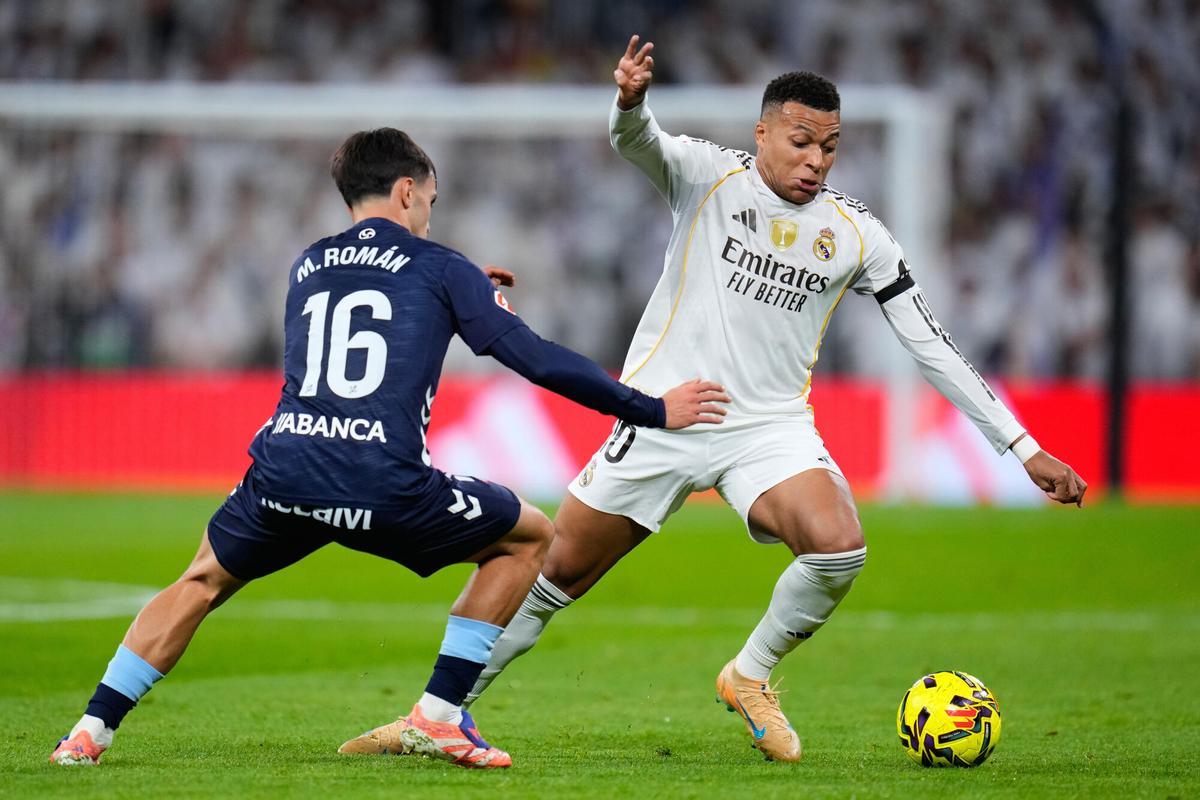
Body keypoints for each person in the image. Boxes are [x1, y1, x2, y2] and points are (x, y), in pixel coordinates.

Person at [463, 36, 1088, 763]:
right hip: (665, 412)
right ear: (762, 134)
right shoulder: (706, 176)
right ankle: (442, 708)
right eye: (801, 142)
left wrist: (1023, 447)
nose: (816, 160)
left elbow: (932, 345)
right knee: (558, 572)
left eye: (830, 146)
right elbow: (639, 142)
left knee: (839, 546)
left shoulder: (857, 234)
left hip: (768, 426)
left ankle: (750, 674)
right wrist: (629, 103)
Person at [49, 127, 729, 769]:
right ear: (407, 191)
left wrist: (459, 286)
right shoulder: (440, 267)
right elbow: (533, 358)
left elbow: (376, 303)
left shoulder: (309, 263)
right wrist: (650, 408)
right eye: (430, 200)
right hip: (379, 480)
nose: (430, 212)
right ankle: (438, 713)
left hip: (284, 470)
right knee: (529, 537)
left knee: (200, 581)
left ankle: (88, 732)